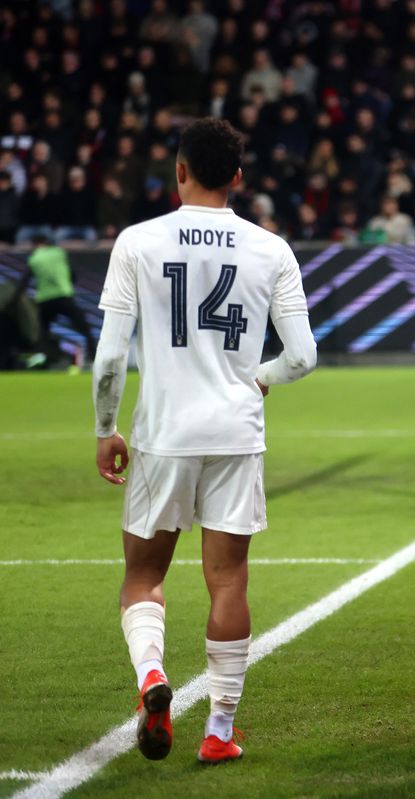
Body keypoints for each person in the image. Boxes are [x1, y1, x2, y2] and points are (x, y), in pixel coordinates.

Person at [91, 118, 317, 765]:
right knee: (228, 580)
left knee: (142, 576)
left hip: (163, 434)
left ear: (180, 171)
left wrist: (106, 427)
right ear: (239, 178)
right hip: (235, 433)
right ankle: (218, 729)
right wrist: (262, 379)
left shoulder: (138, 242)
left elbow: (109, 359)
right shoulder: (271, 249)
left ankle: (152, 678)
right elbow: (301, 353)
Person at [25, 234, 95, 365]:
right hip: (64, 296)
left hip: (45, 300)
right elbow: (74, 273)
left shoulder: (34, 258)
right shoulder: (59, 252)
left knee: (42, 333)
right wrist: (68, 285)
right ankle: (93, 358)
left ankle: (44, 359)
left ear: (35, 244)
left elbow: (25, 280)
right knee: (84, 328)